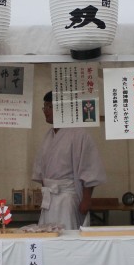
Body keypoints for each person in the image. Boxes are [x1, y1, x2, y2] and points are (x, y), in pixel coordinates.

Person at [32, 91, 107, 230]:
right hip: (50, 197)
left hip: (67, 197)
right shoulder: (48, 136)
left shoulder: (79, 134)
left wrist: (86, 199)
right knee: (47, 235)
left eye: (49, 107)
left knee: (67, 235)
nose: (45, 111)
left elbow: (89, 169)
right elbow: (41, 170)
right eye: (44, 107)